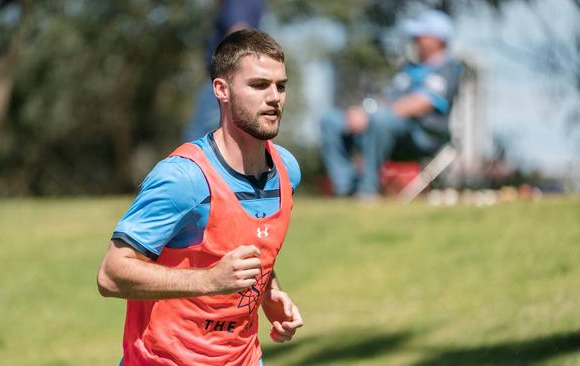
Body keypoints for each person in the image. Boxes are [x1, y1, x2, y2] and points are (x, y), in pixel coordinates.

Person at [98, 29, 303, 366]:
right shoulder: (184, 178)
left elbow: (250, 247)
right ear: (221, 90)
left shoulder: (286, 171)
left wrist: (269, 294)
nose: (274, 97)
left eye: (280, 86)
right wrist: (209, 280)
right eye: (258, 85)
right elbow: (111, 274)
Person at [320, 9, 463, 199]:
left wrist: (372, 115)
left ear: (437, 40)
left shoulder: (448, 69)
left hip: (422, 137)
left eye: (420, 35)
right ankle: (346, 188)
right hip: (384, 127)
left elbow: (422, 103)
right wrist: (362, 112)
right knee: (331, 121)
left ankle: (367, 191)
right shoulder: (409, 69)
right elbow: (385, 98)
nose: (415, 40)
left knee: (382, 119)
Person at [182, 0, 265, 142]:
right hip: (227, 79)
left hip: (225, 80)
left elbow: (238, 33)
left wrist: (234, 79)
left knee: (197, 138)